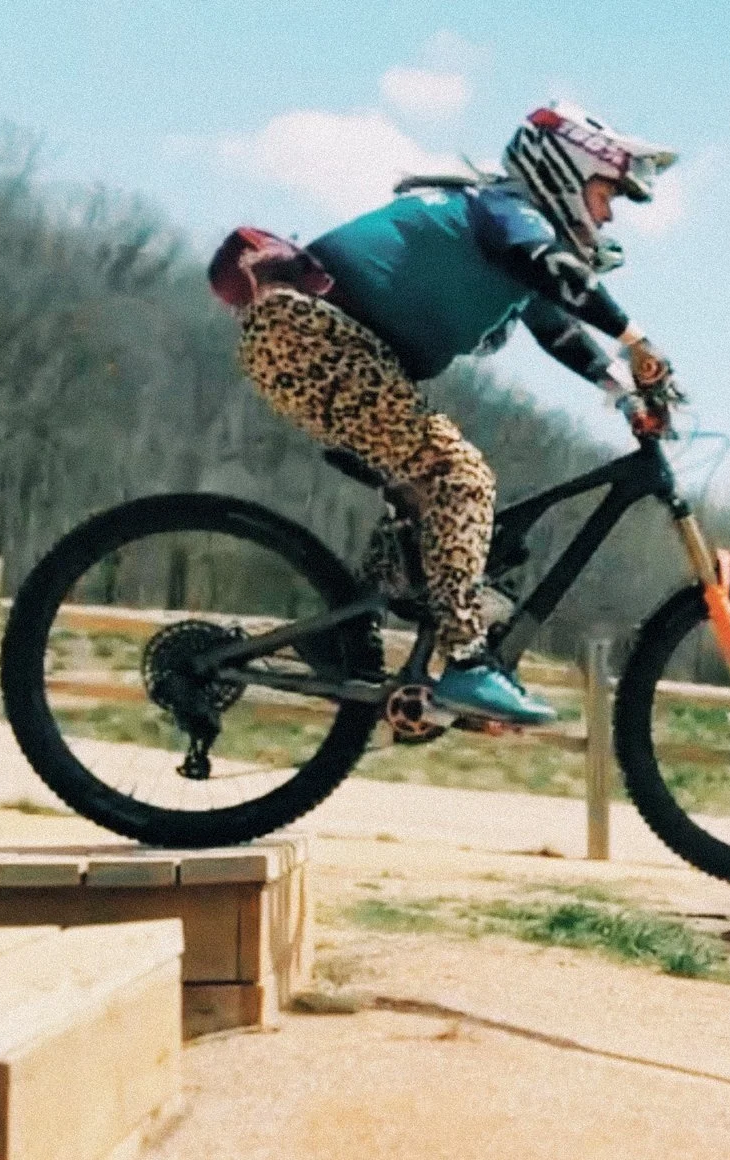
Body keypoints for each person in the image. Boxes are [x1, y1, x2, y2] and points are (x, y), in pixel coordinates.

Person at [208, 102, 682, 726]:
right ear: (567, 172)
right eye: (605, 193)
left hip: (317, 338)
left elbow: (555, 327)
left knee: (422, 507)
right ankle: (467, 664)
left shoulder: (510, 235)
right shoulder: (506, 211)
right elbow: (548, 270)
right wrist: (636, 339)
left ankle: (340, 633)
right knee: (461, 479)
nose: (607, 212)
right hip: (315, 334)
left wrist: (623, 390)